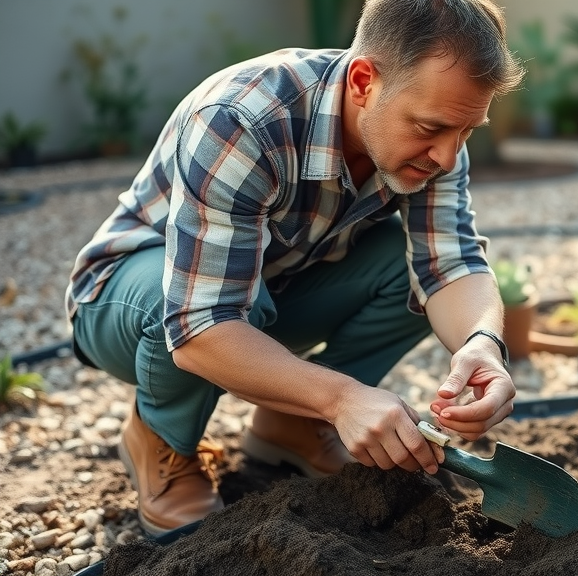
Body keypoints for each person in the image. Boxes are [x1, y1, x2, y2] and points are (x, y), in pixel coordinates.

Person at [65, 0, 524, 537]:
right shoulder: (242, 119)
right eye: (432, 128)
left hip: (266, 295)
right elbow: (199, 324)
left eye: (466, 132)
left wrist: (483, 344)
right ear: (362, 81)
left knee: (410, 275)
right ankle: (162, 443)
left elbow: (452, 264)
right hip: (130, 301)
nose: (448, 156)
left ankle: (293, 425)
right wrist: (342, 398)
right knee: (239, 297)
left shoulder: (438, 134)